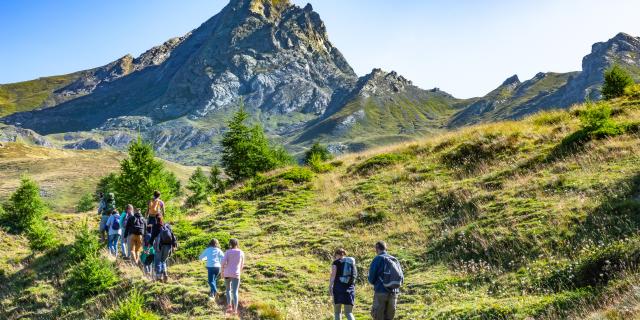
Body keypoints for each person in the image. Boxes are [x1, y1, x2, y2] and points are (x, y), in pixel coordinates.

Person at [368, 241, 403, 320]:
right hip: (394, 292)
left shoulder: (377, 259)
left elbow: (371, 278)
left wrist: (374, 283)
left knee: (378, 316)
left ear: (377, 248)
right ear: (385, 248)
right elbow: (402, 277)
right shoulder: (394, 259)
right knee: (389, 317)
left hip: (381, 291)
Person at [330, 248, 357, 320]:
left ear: (336, 255)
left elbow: (333, 275)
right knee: (348, 313)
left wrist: (330, 286)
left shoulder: (336, 263)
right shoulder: (351, 262)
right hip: (350, 290)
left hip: (338, 289)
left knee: (337, 312)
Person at [221, 238, 245, 315]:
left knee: (228, 290)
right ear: (237, 244)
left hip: (227, 273)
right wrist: (239, 272)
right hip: (236, 274)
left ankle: (229, 306)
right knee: (235, 292)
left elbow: (223, 263)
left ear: (230, 244)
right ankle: (235, 310)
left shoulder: (227, 252)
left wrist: (222, 272)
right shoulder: (241, 252)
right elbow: (242, 265)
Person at [153, 216, 177, 282]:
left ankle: (158, 276)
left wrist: (149, 246)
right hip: (168, 246)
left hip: (159, 246)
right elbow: (172, 235)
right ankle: (165, 273)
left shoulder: (156, 226)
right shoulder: (167, 226)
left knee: (158, 260)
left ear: (156, 219)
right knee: (163, 260)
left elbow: (152, 237)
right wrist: (174, 245)